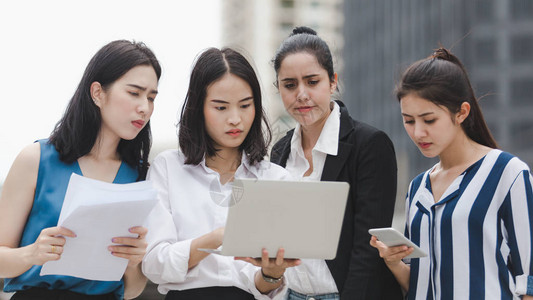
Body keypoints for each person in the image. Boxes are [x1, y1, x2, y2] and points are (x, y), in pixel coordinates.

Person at [0, 40, 161, 299]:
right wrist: (31, 253)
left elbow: (131, 291)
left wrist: (133, 262)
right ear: (97, 93)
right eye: (134, 93)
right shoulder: (36, 159)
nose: (145, 107)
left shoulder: (141, 176)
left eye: (151, 97)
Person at [370, 47, 533, 300]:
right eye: (409, 121)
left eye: (429, 120)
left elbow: (529, 279)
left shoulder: (508, 174)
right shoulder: (417, 188)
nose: (418, 133)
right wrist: (393, 262)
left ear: (462, 112)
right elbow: (418, 283)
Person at [142, 47, 300, 300]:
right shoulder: (168, 168)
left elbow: (270, 287)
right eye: (221, 107)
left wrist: (272, 274)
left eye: (245, 105)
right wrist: (217, 237)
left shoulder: (276, 179)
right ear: (198, 108)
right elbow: (154, 265)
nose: (235, 119)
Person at [270, 26, 403, 299]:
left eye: (312, 81)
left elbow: (367, 247)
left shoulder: (370, 145)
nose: (301, 94)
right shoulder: (279, 152)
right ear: (278, 88)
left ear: (332, 81)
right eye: (290, 85)